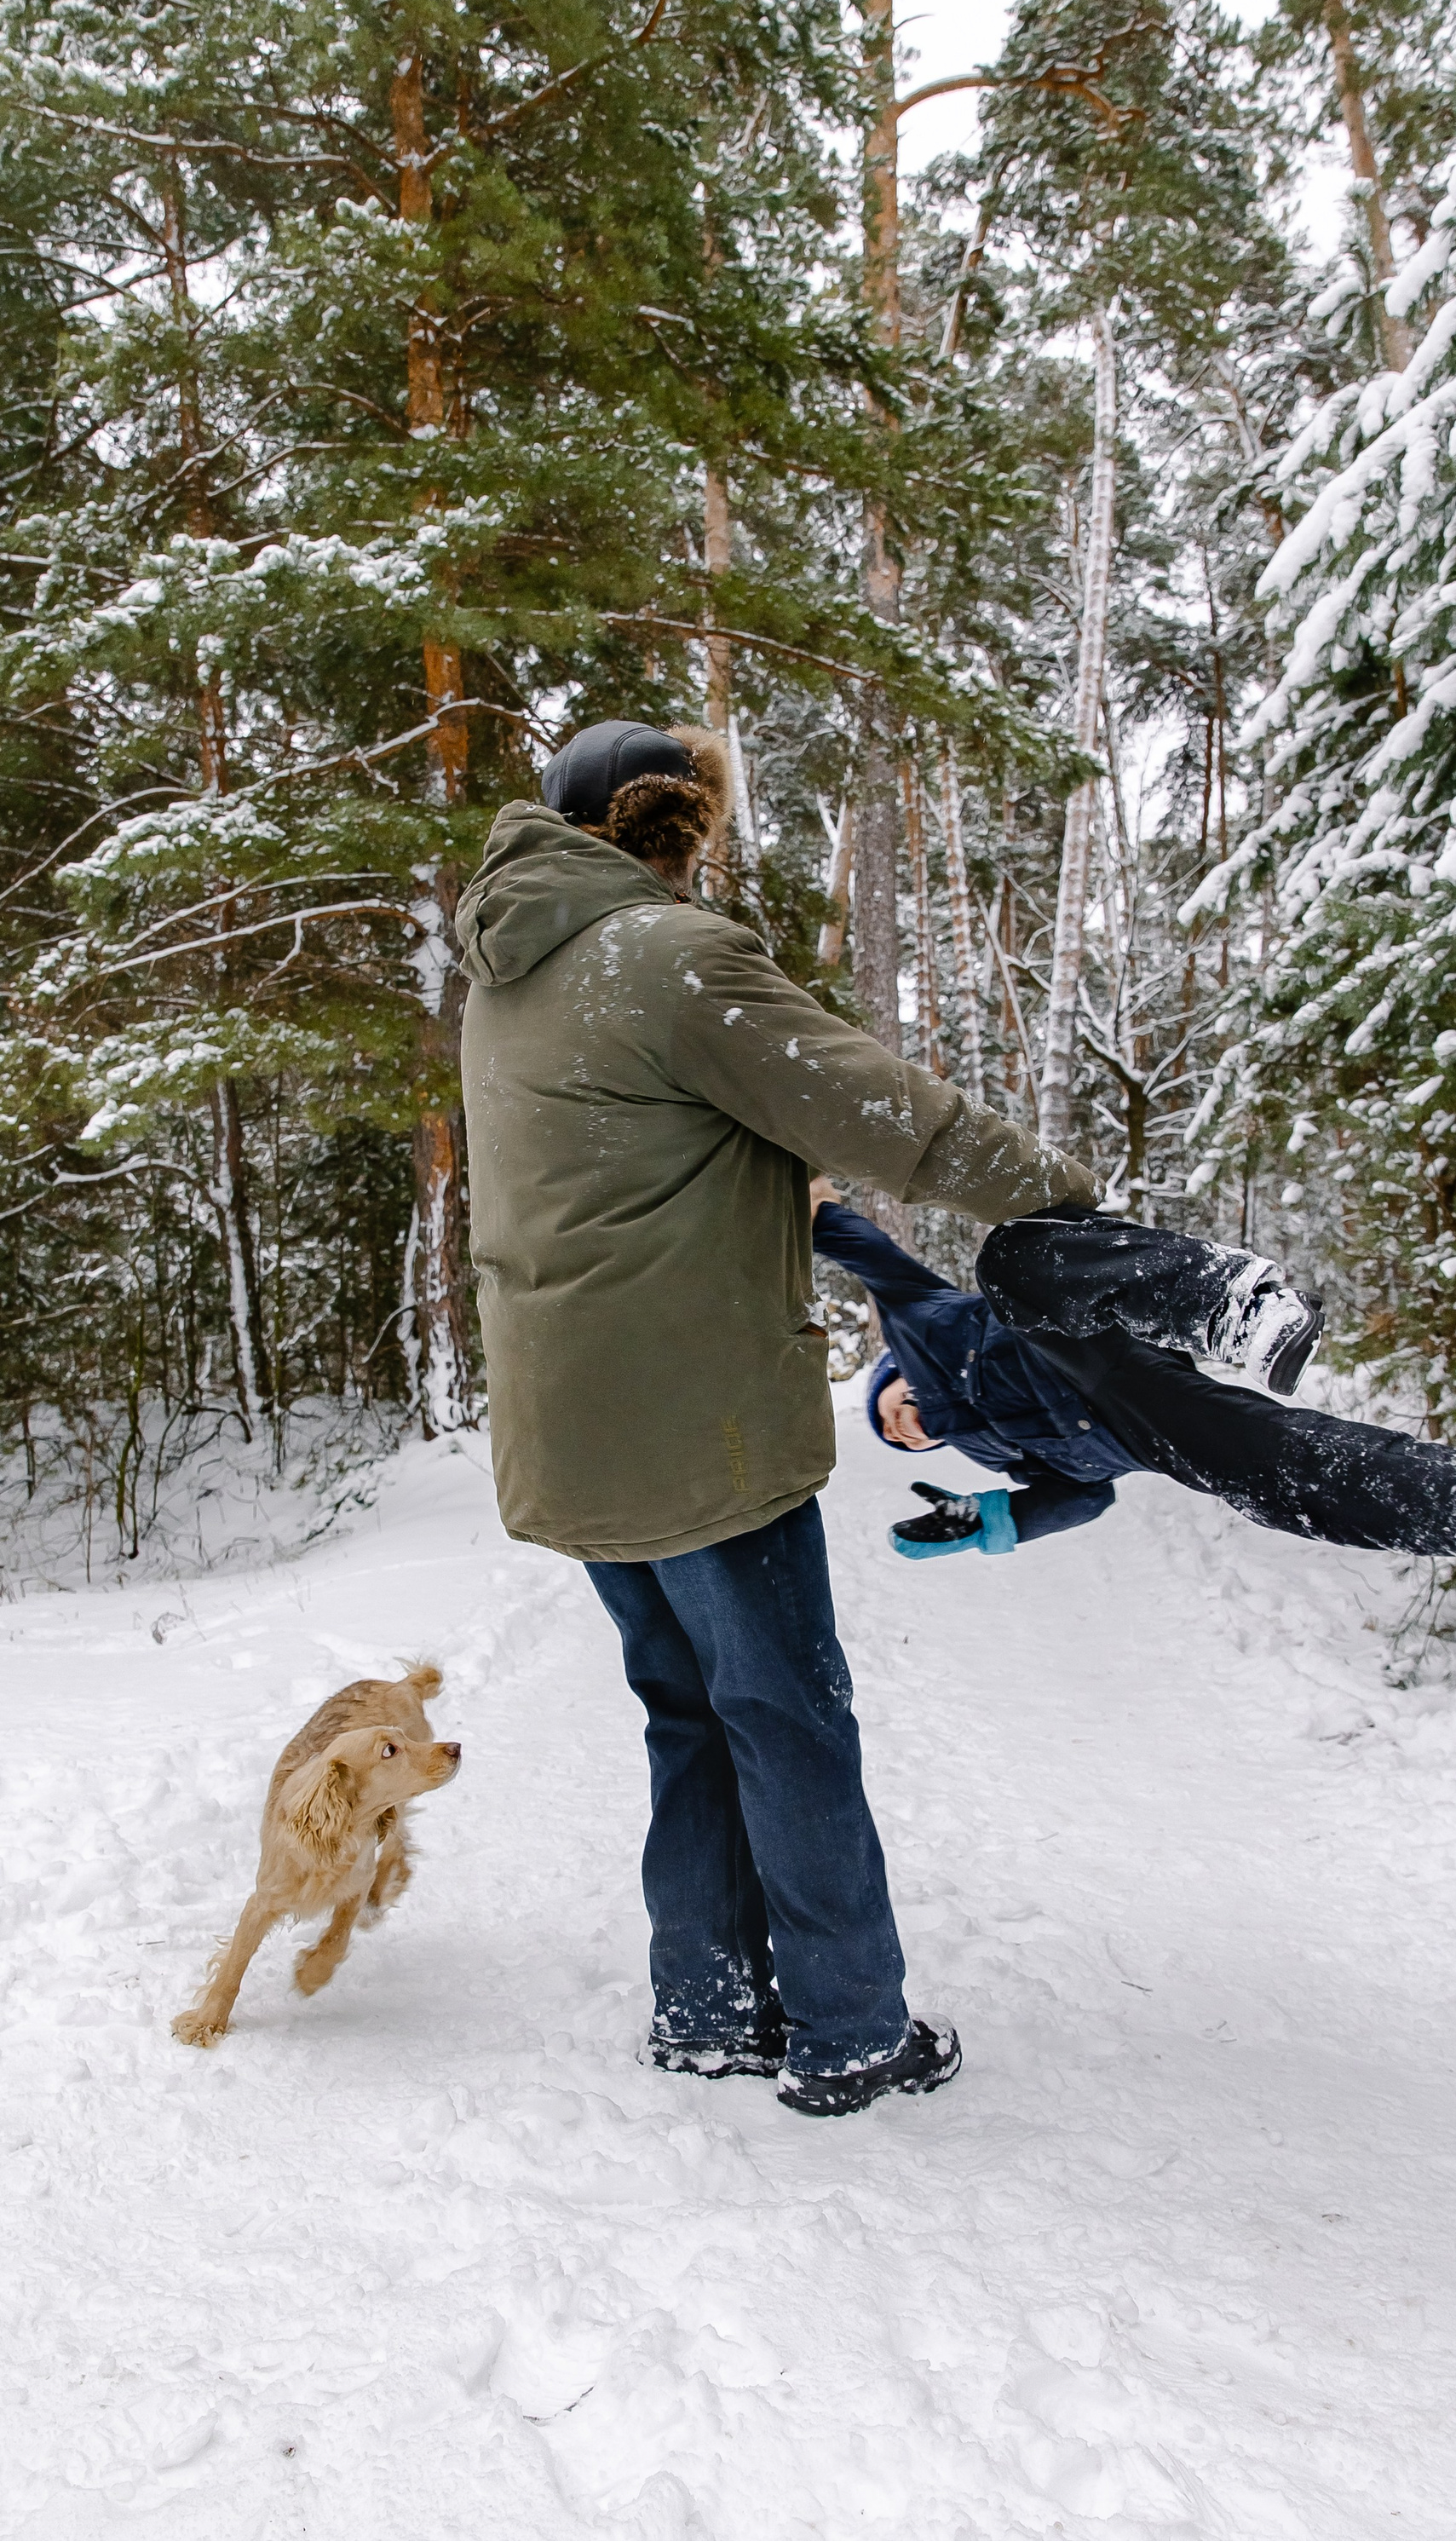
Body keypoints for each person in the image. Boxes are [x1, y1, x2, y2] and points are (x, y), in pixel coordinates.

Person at [455, 717, 1105, 2116]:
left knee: (688, 1714)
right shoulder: (668, 956)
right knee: (787, 1715)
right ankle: (851, 2027)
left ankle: (708, 2010)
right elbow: (897, 1119)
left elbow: (632, 1160)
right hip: (699, 1427)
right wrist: (1069, 1201)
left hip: (570, 1426)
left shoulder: (511, 971)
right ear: (672, 832)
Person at [809, 1184, 1456, 1604]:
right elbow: (1085, 1497)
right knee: (1269, 1471)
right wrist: (993, 1518)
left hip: (1067, 1341)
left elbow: (862, 1247)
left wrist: (801, 1200)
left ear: (891, 1381)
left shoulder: (919, 1322)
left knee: (1010, 1257)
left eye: (892, 1416)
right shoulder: (991, 1453)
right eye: (903, 1444)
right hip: (1136, 1418)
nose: (905, 1430)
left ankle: (1237, 1306)